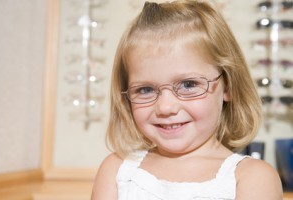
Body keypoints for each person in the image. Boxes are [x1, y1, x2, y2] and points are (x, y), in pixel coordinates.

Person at [91, 0, 283, 199]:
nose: (165, 107)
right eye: (146, 89)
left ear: (229, 85)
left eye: (189, 85)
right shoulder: (117, 171)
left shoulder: (252, 178)